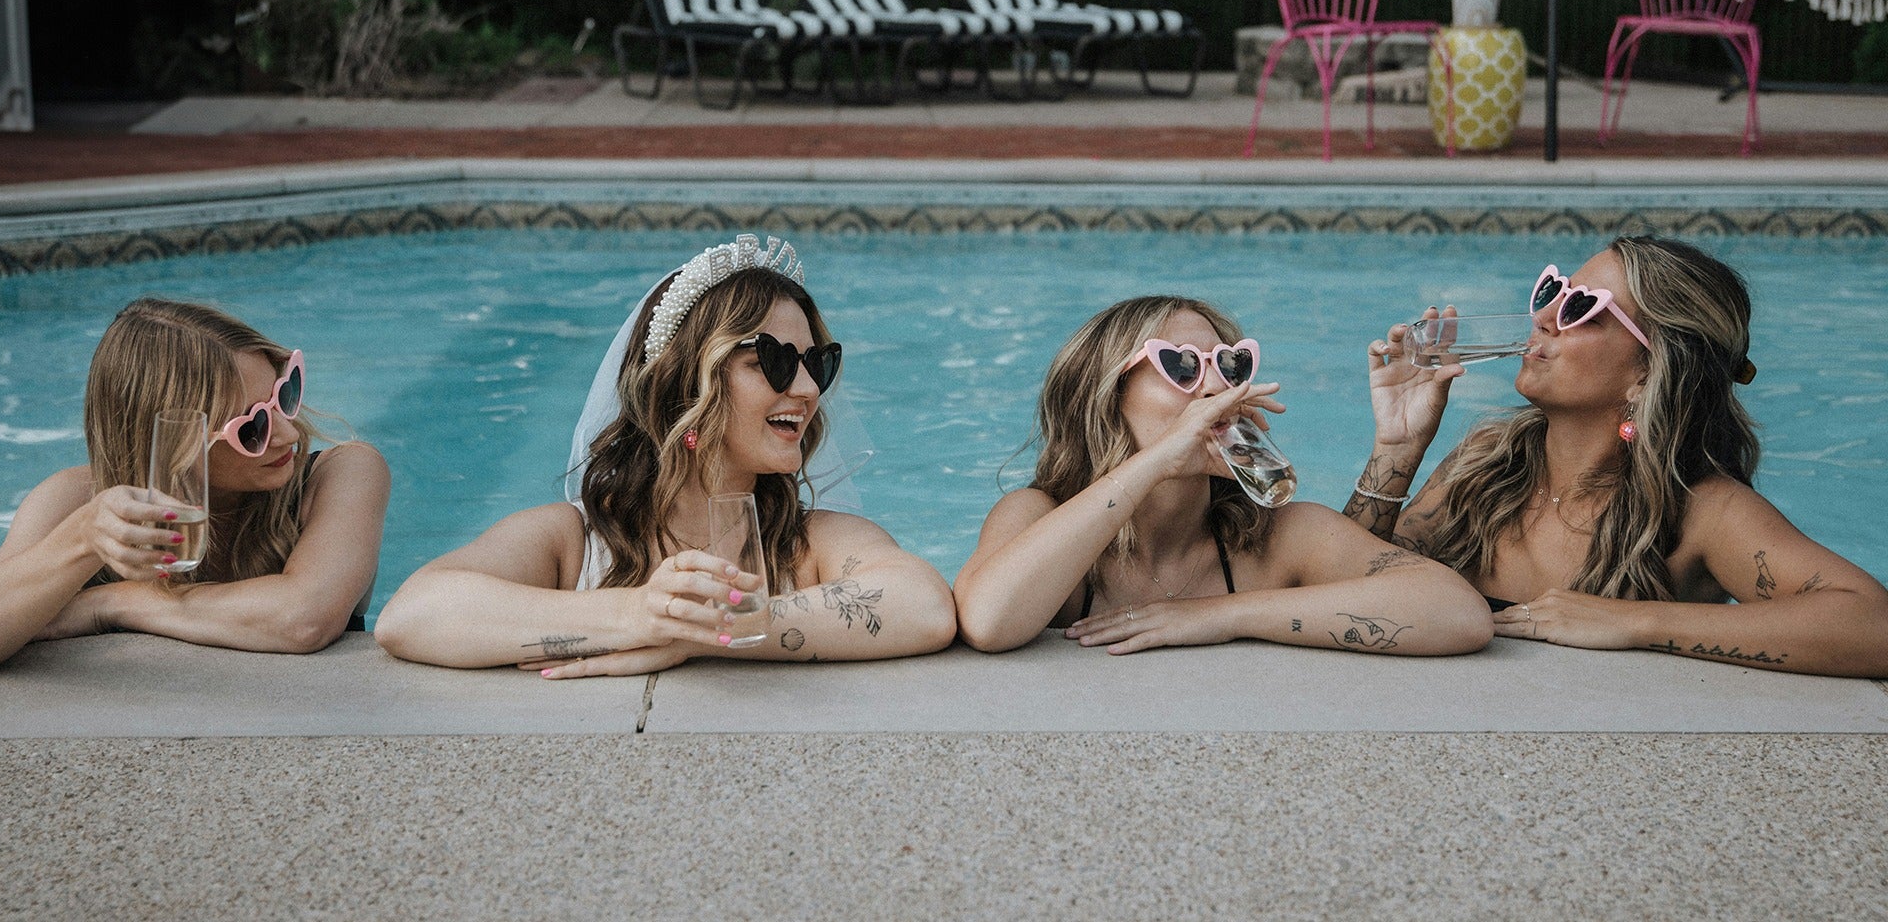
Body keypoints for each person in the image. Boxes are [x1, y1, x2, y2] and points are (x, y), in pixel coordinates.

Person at [374, 234, 956, 676]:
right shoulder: (571, 542)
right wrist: (639, 616)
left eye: (816, 364)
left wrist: (705, 630)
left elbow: (926, 606)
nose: (805, 390)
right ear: (686, 384)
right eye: (773, 362)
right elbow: (412, 614)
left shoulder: (809, 542)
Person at [1349, 234, 1888, 676]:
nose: (1543, 317)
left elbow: (1872, 625)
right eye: (1551, 291)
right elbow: (1349, 580)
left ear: (1648, 372)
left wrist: (1634, 623)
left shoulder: (1702, 511)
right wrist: (1397, 447)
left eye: (1583, 309)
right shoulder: (1487, 464)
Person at [955, 295, 1492, 656]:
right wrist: (1155, 464)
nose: (1215, 388)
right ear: (1106, 396)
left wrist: (1218, 616)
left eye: (1230, 365)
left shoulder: (1279, 536)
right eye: (1183, 366)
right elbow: (988, 620)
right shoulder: (1036, 514)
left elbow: (1458, 613)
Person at [0, 298, 388, 670]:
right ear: (173, 443)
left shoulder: (341, 473)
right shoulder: (78, 502)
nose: (288, 434)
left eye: (284, 396)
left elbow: (304, 619)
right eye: (252, 426)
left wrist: (111, 603)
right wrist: (82, 539)